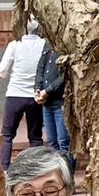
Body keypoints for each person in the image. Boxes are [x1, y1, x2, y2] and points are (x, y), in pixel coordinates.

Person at [0, 18, 46, 165]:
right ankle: (36, 167)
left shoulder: (14, 44)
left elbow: (2, 68)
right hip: (36, 95)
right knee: (35, 136)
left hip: (15, 94)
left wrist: (3, 74)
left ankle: (5, 167)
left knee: (7, 135)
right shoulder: (44, 44)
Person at [35, 41, 70, 178]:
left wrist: (48, 90)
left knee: (63, 143)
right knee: (52, 142)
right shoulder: (47, 45)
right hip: (47, 104)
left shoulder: (64, 45)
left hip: (60, 102)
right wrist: (38, 89)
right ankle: (56, 176)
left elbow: (64, 75)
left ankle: (67, 177)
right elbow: (40, 69)